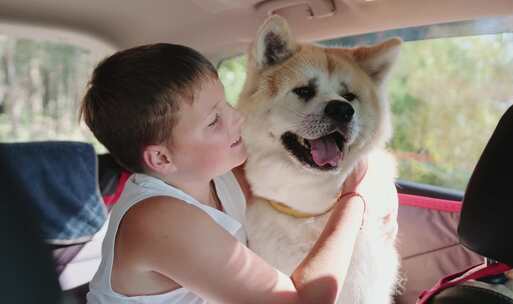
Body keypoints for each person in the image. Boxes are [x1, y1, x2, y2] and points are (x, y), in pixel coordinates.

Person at [82, 43, 389, 304]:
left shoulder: (217, 177)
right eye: (214, 120)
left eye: (226, 103)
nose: (237, 116)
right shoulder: (158, 219)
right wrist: (354, 199)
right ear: (162, 157)